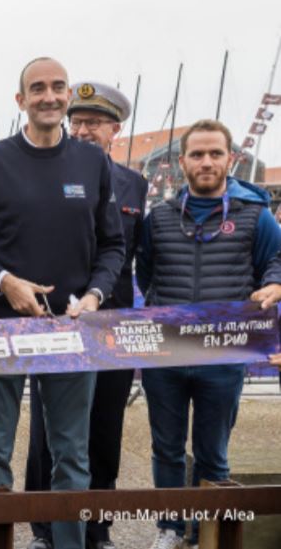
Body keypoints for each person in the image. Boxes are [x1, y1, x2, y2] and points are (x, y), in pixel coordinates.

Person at [0, 57, 125, 549]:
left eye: (58, 87)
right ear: (20, 100)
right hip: (2, 329)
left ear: (68, 98)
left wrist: (95, 294)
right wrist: (5, 282)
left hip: (73, 329)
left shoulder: (93, 163)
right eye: (37, 88)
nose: (49, 95)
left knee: (72, 456)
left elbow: (113, 245)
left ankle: (67, 543)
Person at [137, 119, 281, 549]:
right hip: (167, 352)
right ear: (182, 162)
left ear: (230, 159)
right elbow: (146, 276)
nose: (206, 162)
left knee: (212, 452)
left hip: (224, 355)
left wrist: (275, 282)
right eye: (197, 154)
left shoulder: (256, 216)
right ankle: (170, 529)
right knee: (166, 448)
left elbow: (275, 260)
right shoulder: (158, 218)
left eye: (215, 153)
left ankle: (207, 533)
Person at [23, 82, 148, 549]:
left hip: (111, 325)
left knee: (104, 430)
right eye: (77, 122)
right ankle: (44, 529)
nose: (82, 130)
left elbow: (137, 255)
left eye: (93, 123)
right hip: (57, 321)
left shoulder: (135, 183)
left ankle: (97, 528)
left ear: (115, 129)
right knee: (45, 434)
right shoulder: (50, 174)